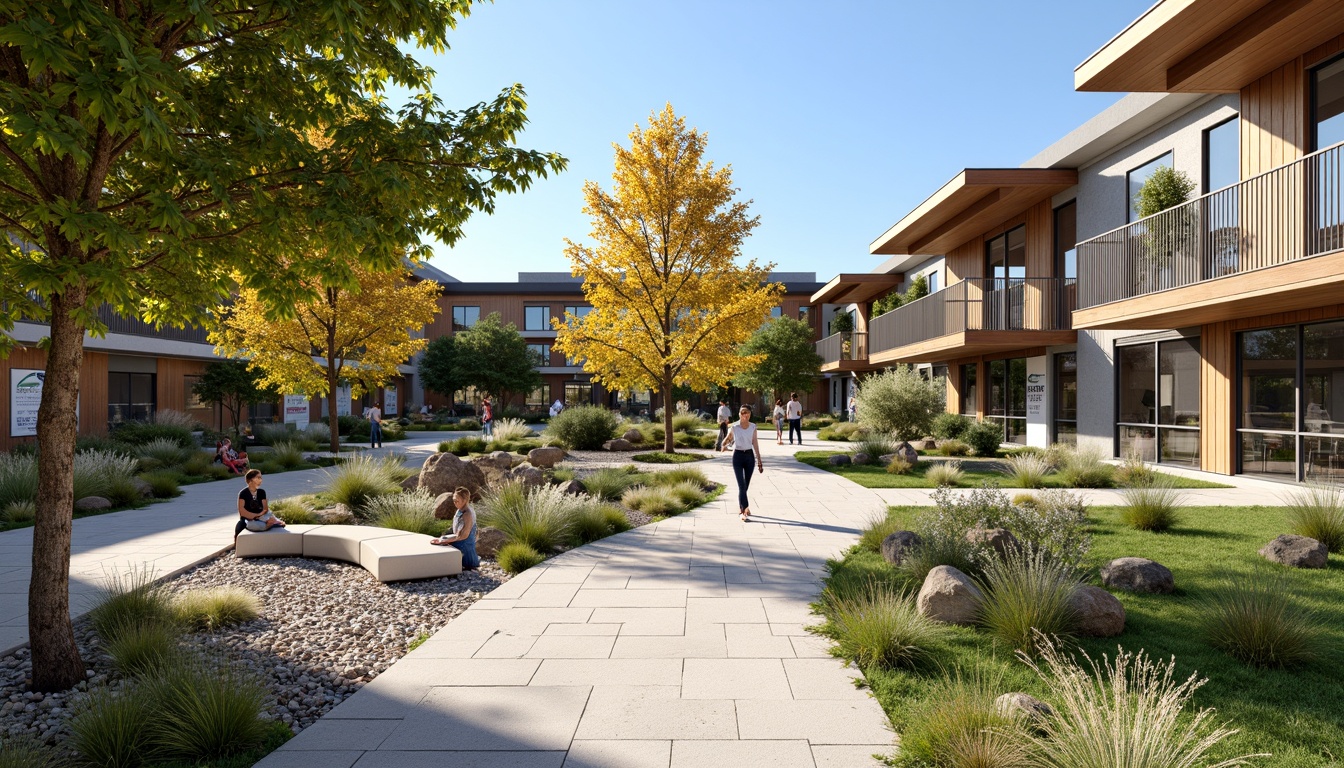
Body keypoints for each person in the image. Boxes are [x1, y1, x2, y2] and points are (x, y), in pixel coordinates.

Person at [722, 405, 764, 522]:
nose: (746, 415)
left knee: (745, 485)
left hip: (749, 457)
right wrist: (723, 444)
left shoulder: (753, 427)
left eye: (748, 413)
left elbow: (755, 443)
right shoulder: (735, 427)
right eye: (743, 413)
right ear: (739, 414)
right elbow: (728, 439)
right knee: (741, 485)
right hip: (738, 457)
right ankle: (743, 510)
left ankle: (744, 506)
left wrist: (759, 460)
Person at [430, 486, 480, 570]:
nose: (455, 503)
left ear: (465, 500)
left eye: (457, 501)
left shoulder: (467, 514)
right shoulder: (460, 510)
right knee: (438, 541)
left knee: (441, 546)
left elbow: (463, 536)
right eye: (453, 500)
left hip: (464, 543)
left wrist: (444, 540)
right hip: (459, 538)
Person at [235, 469, 285, 537]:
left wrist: (262, 517)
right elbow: (242, 512)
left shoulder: (262, 492)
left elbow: (265, 509)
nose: (261, 480)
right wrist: (256, 516)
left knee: (281, 524)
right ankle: (267, 525)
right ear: (251, 479)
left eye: (261, 478)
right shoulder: (243, 493)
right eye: (258, 478)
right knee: (256, 525)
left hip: (263, 516)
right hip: (249, 519)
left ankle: (269, 523)